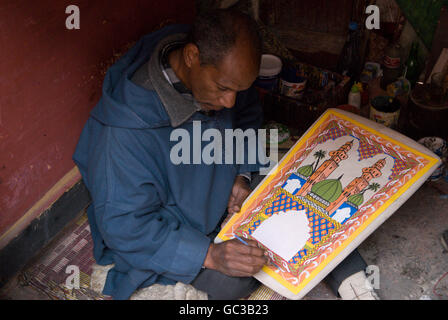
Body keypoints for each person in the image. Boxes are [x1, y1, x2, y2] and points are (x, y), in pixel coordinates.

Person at [73, 9, 377, 300]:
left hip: (221, 184)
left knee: (303, 189)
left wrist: (239, 174)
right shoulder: (123, 137)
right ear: (192, 57)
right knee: (236, 279)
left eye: (238, 89)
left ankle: (353, 281)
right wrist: (209, 255)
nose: (230, 102)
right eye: (223, 89)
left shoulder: (219, 68)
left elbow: (245, 116)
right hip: (174, 220)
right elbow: (125, 226)